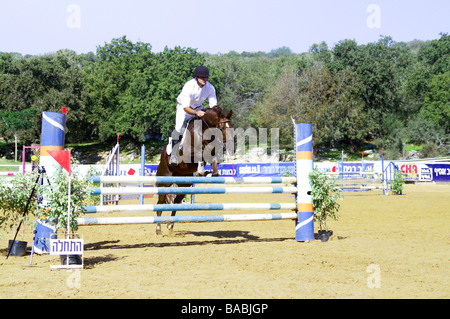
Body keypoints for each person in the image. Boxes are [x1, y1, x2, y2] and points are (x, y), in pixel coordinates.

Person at [168, 66, 217, 173]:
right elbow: (186, 107)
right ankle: (174, 154)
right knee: (179, 128)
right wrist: (196, 112)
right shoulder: (189, 86)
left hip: (199, 108)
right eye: (202, 77)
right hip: (184, 109)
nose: (204, 79)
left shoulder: (210, 88)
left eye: (206, 77)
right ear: (196, 77)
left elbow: (213, 107)